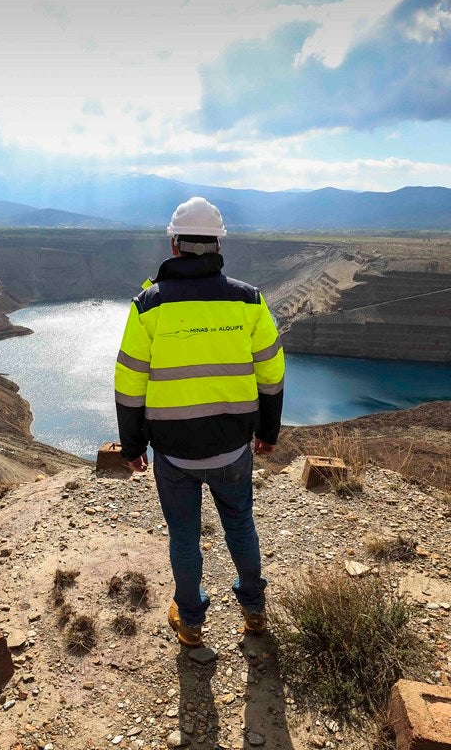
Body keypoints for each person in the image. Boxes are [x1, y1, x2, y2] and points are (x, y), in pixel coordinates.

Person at [113, 196, 285, 648]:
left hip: (174, 452)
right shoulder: (248, 300)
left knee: (185, 536)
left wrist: (133, 447)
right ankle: (254, 612)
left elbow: (129, 385)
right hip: (232, 446)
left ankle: (191, 621)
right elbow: (271, 373)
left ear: (174, 245)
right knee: (241, 523)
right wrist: (267, 433)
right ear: (216, 247)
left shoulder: (148, 306)